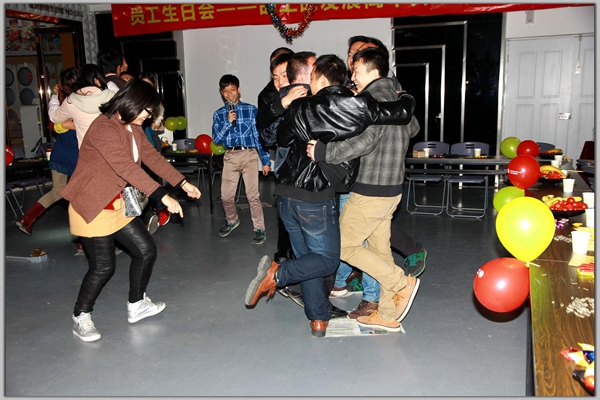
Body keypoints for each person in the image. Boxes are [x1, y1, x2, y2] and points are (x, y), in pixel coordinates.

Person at [245, 54, 416, 337]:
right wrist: (406, 97)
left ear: (321, 79)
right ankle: (278, 274)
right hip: (316, 195)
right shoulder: (356, 104)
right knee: (328, 258)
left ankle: (318, 319)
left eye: (312, 78)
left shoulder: (299, 106)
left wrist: (287, 108)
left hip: (285, 194)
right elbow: (400, 116)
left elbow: (276, 138)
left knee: (308, 259)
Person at [60, 78, 201, 342]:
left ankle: (137, 305)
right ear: (133, 104)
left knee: (145, 250)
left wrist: (181, 183)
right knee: (103, 267)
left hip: (117, 205)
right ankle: (81, 315)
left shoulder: (133, 128)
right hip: (93, 206)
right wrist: (162, 196)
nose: (150, 117)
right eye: (148, 111)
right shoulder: (103, 127)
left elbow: (152, 158)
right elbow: (125, 167)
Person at [308, 47, 421, 331]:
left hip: (372, 188)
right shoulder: (396, 99)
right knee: (380, 252)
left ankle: (400, 283)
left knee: (344, 245)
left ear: (373, 71)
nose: (353, 77)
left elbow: (365, 142)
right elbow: (414, 128)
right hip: (392, 189)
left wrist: (324, 152)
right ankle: (387, 313)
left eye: (356, 70)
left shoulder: (371, 99)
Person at [16, 68, 80, 236]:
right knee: (81, 194)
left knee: (57, 191)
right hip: (77, 157)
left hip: (60, 154)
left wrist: (54, 95)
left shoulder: (60, 103)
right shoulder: (81, 105)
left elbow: (53, 119)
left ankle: (27, 219)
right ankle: (83, 237)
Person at [212, 74, 271, 245]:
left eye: (232, 90)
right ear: (222, 93)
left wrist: (265, 160)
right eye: (225, 91)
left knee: (253, 196)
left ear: (238, 90)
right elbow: (217, 140)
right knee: (226, 197)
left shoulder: (251, 110)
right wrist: (227, 122)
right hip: (230, 156)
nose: (229, 94)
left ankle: (259, 229)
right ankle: (232, 220)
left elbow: (259, 137)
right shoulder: (219, 114)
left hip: (249, 155)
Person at [256, 48, 295, 263]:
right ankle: (283, 253)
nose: (280, 81)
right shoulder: (268, 95)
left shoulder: (310, 92)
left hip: (313, 163)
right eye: (275, 75)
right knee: (285, 209)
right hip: (285, 159)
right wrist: (282, 104)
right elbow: (267, 136)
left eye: (284, 74)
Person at [49, 64, 115, 147]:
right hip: (110, 148)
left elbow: (53, 117)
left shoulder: (71, 101)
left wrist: (55, 96)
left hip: (86, 150)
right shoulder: (112, 95)